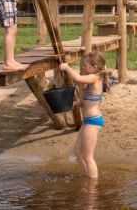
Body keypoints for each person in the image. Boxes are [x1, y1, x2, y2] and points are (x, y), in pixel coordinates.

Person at [59, 50, 108, 179]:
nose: (83, 67)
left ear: (94, 67)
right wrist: (78, 103)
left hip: (93, 121)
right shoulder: (93, 79)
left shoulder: (95, 77)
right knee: (77, 152)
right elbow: (91, 100)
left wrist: (67, 67)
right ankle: (88, 176)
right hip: (88, 122)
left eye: (85, 65)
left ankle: (93, 187)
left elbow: (77, 78)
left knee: (88, 156)